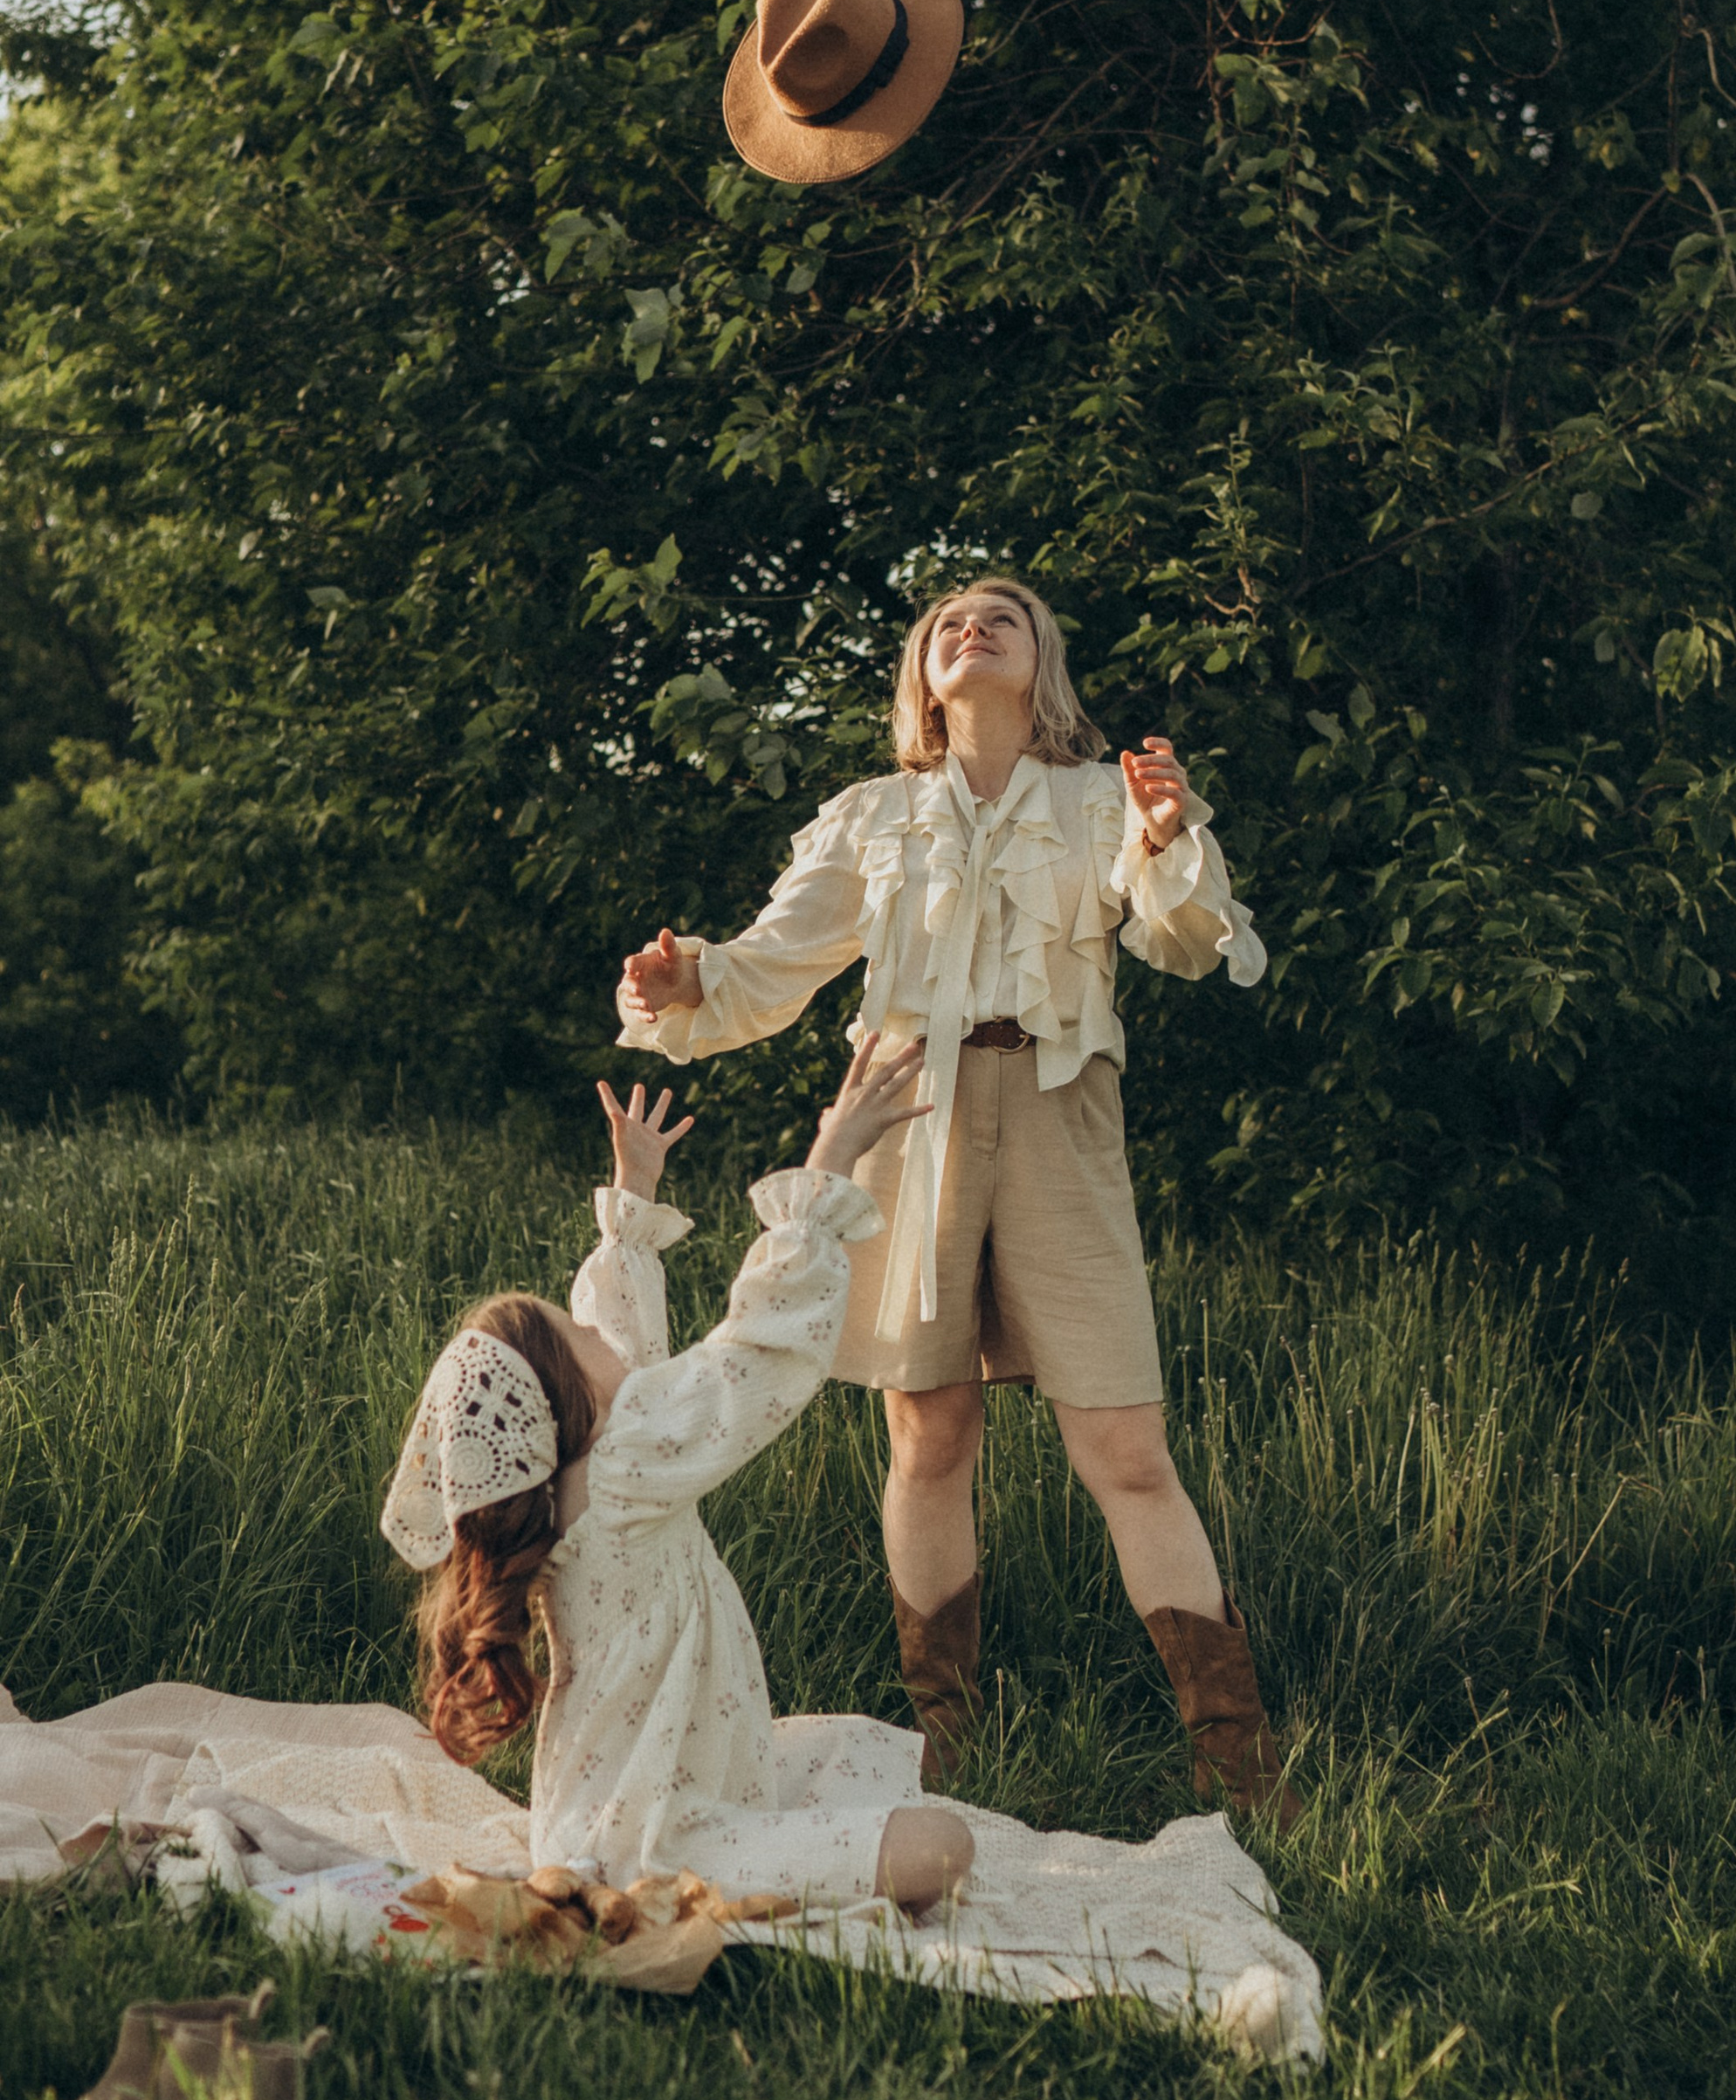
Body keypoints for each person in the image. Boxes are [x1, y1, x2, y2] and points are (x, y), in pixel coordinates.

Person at [616, 574, 1298, 1825]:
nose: (971, 626)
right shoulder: (876, 816)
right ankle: (950, 1741)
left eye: (1005, 615)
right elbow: (773, 966)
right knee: (928, 1433)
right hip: (901, 1112)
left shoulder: (1106, 800)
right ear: (923, 677)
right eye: (946, 623)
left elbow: (1190, 941)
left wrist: (1159, 839)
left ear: (1044, 664)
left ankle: (1237, 1756)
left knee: (1126, 1447)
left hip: (1057, 1112)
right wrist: (681, 982)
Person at [380, 1039, 974, 1915]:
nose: (601, 1335)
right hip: (655, 1840)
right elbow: (751, 1356)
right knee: (942, 1846)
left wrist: (633, 1202)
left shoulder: (579, 1483)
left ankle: (752, 1830)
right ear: (565, 1406)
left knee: (863, 1750)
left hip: (632, 1799)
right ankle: (710, 1863)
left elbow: (628, 1346)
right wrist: (826, 1166)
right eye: (580, 1338)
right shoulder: (624, 1470)